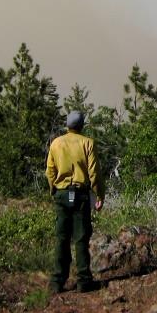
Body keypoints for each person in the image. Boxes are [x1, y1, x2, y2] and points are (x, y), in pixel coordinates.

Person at [46, 110, 104, 293]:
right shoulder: (87, 143)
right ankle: (84, 280)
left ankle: (57, 282)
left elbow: (50, 171)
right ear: (82, 125)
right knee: (81, 237)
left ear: (67, 125)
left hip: (62, 194)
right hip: (80, 195)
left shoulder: (56, 143)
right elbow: (94, 173)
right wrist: (99, 195)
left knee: (62, 237)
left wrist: (53, 190)